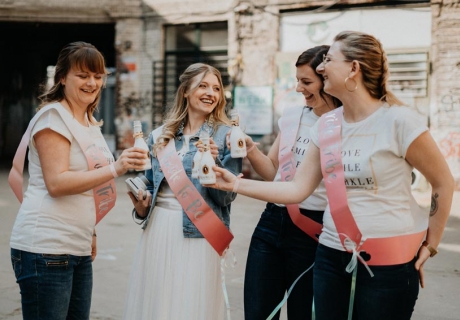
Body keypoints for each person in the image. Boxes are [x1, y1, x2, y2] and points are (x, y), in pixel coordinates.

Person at [207, 31, 454, 320]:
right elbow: (297, 189)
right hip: (328, 254)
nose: (321, 68)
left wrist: (431, 244)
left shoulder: (399, 121)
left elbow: (443, 182)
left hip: (389, 261)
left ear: (353, 69)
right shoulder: (326, 126)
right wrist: (235, 182)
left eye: (328, 60)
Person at [8, 42, 148, 320]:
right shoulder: (53, 117)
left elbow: (86, 184)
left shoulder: (87, 121)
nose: (92, 82)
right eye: (82, 75)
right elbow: (57, 184)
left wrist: (91, 230)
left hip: (78, 245)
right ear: (62, 77)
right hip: (46, 247)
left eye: (98, 76)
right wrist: (117, 169)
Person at [123, 63, 243, 320]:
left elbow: (227, 196)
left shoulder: (227, 136)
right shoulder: (160, 136)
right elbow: (150, 185)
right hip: (158, 230)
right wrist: (141, 205)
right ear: (186, 91)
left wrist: (216, 165)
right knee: (159, 302)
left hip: (201, 232)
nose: (211, 93)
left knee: (192, 306)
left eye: (216, 88)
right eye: (203, 86)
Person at [240, 45, 340, 320]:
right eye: (297, 80)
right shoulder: (293, 116)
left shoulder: (346, 123)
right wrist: (251, 149)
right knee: (258, 311)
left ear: (327, 79)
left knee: (304, 313)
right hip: (272, 222)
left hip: (315, 228)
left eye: (306, 82)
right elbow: (273, 173)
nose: (299, 88)